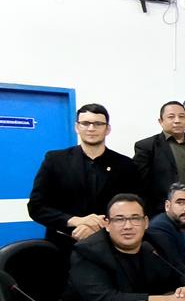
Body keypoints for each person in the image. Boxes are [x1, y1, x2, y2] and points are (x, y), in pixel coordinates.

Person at [42, 194, 185, 301]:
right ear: (107, 224)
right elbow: (108, 300)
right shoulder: (88, 251)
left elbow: (183, 272)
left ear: (145, 222)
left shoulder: (156, 242)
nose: (128, 226)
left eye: (135, 219)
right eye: (119, 219)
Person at [28, 103, 141, 261]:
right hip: (63, 246)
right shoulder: (55, 160)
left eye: (98, 123)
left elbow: (134, 206)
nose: (91, 128)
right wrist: (76, 221)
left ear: (107, 129)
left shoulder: (125, 165)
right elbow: (36, 207)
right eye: (85, 123)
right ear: (77, 127)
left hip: (111, 248)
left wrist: (98, 226)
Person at [133, 101, 185, 225]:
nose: (177, 121)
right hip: (158, 215)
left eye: (181, 117)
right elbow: (139, 185)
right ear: (161, 121)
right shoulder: (147, 147)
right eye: (171, 117)